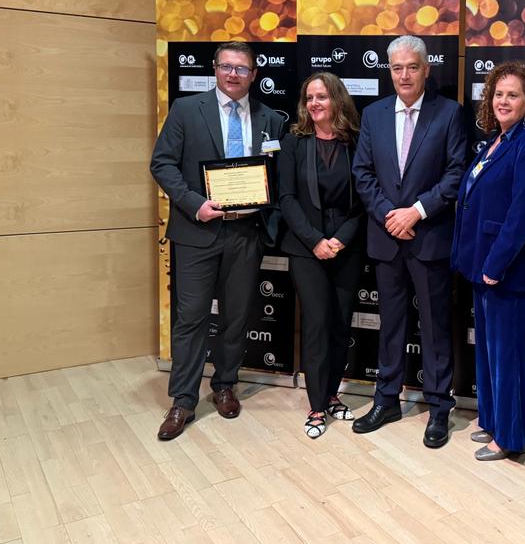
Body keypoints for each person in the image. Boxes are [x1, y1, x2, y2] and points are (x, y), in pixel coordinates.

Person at [150, 41, 287, 440]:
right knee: (191, 318)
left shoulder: (270, 119)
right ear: (214, 69)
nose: (233, 74)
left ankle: (224, 384)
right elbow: (162, 163)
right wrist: (195, 204)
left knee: (236, 316)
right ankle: (183, 401)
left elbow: (278, 176)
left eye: (242, 68)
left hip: (246, 233)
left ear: (254, 75)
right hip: (197, 231)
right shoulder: (185, 109)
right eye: (226, 66)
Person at [351, 35, 467, 448]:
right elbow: (362, 172)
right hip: (386, 237)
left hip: (428, 237)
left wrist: (416, 212)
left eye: (412, 67)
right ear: (389, 71)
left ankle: (438, 408)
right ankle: (387, 400)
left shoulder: (449, 113)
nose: (404, 75)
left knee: (435, 326)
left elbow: (456, 173)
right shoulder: (374, 114)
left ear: (426, 69)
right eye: (397, 68)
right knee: (391, 324)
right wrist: (390, 215)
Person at [451, 62, 525, 461]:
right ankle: (492, 421)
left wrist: (495, 266)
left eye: (513, 95)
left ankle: (510, 438)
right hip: (482, 267)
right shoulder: (494, 142)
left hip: (507, 271)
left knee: (508, 358)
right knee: (489, 353)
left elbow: (523, 215)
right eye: (498, 94)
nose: (503, 100)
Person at [279, 72, 364, 439]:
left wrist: (340, 240)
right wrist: (315, 241)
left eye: (322, 97)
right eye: (309, 97)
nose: (314, 103)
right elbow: (286, 198)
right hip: (305, 248)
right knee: (316, 324)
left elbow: (364, 201)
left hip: (346, 247)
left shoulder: (356, 142)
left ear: (337, 100)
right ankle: (316, 406)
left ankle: (331, 394)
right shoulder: (294, 142)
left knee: (341, 325)